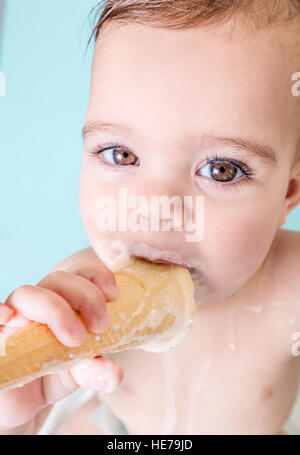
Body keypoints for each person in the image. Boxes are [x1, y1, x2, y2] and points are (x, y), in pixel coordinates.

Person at [1, 0, 300, 435]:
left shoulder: (291, 287)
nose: (155, 209)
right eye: (121, 154)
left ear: (287, 195)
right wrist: (17, 412)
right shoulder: (83, 293)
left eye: (221, 169)